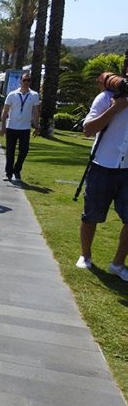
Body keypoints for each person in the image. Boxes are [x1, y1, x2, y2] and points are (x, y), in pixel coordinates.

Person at [74, 73, 128, 282]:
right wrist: (114, 108)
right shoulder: (106, 98)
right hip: (102, 165)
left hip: (127, 167)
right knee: (91, 215)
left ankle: (118, 264)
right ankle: (85, 255)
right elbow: (88, 129)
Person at [0, 72, 40, 181]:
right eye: (24, 80)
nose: (26, 82)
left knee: (24, 151)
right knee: (10, 151)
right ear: (20, 81)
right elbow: (5, 111)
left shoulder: (34, 95)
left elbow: (36, 112)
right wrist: (3, 126)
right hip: (11, 126)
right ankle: (8, 173)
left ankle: (17, 170)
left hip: (25, 128)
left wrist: (36, 126)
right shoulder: (12, 94)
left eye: (28, 80)